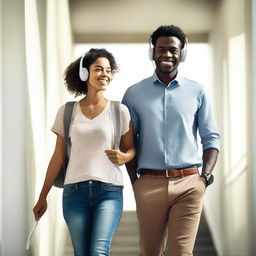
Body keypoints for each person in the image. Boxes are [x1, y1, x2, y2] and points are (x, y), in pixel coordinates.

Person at [122, 25, 220, 256]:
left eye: (173, 50)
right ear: (152, 52)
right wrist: (135, 183)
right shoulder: (133, 94)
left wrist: (203, 178)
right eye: (161, 49)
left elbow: (211, 137)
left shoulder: (197, 91)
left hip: (189, 183)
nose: (167, 54)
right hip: (148, 183)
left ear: (182, 53)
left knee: (181, 253)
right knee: (150, 252)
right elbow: (127, 141)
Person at [33, 48, 136, 256]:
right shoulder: (67, 111)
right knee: (81, 253)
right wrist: (42, 196)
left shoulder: (119, 110)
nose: (105, 74)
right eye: (98, 69)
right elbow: (58, 156)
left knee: (98, 251)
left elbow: (131, 148)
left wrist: (125, 157)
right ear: (84, 73)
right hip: (74, 193)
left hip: (109, 191)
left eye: (108, 70)